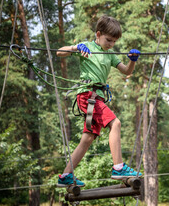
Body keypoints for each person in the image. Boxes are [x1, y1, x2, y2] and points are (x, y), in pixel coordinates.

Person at [56, 15, 142, 187]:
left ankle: (65, 175)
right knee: (115, 123)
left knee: (87, 138)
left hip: (95, 99)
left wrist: (132, 61)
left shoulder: (110, 55)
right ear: (98, 34)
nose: (111, 44)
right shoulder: (87, 47)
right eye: (108, 40)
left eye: (114, 42)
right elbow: (59, 52)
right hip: (88, 96)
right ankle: (118, 167)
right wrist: (75, 47)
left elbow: (126, 71)